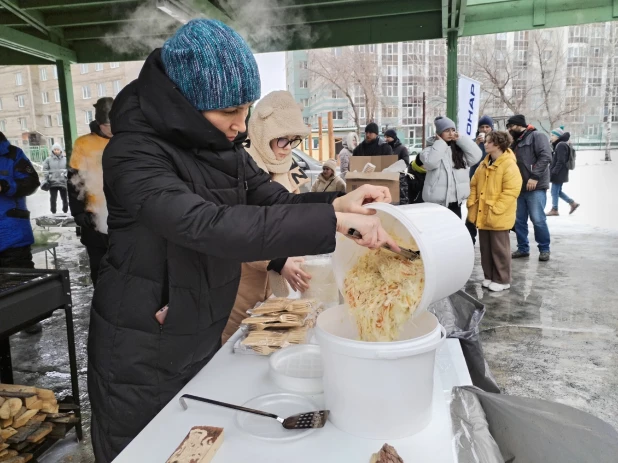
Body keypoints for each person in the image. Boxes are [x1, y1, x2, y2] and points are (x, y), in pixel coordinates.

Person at [88, 19, 398, 462]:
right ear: (185, 102)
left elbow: (269, 197)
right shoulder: (133, 153)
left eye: (245, 109)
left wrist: (341, 204)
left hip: (197, 325)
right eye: (228, 111)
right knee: (146, 450)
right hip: (140, 341)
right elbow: (206, 224)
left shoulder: (217, 143)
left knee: (192, 438)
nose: (240, 124)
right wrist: (328, 220)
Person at [222, 90, 314, 343]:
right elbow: (238, 231)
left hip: (275, 286)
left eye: (293, 140)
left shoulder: (286, 166)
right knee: (236, 343)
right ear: (264, 133)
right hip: (239, 282)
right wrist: (277, 260)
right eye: (282, 140)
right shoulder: (240, 169)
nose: (287, 149)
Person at [468, 131, 522, 292]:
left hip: (497, 214)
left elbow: (511, 190)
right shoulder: (484, 163)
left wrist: (496, 208)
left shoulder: (509, 164)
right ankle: (489, 276)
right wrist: (472, 202)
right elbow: (474, 184)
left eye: (489, 142)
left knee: (500, 249)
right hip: (482, 213)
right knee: (485, 248)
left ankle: (503, 279)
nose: (486, 144)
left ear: (498, 144)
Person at [68, 97, 113, 286]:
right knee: (99, 266)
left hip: (123, 213)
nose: (110, 129)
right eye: (106, 124)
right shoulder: (83, 144)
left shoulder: (127, 139)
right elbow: (73, 180)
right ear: (98, 123)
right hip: (94, 214)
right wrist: (78, 212)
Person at [0, 132, 41, 333]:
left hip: (12, 231)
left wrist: (5, 185)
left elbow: (32, 182)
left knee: (20, 278)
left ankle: (28, 319)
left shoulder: (13, 155)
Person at [507, 114, 552, 261]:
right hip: (518, 186)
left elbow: (546, 156)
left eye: (511, 126)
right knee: (519, 220)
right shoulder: (514, 140)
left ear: (519, 125)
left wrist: (534, 177)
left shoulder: (537, 136)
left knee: (538, 219)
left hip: (535, 186)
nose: (509, 129)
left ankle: (544, 249)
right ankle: (523, 248)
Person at [420, 116, 482, 218]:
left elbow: (476, 157)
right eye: (446, 130)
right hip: (437, 202)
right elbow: (431, 163)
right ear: (439, 133)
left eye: (453, 130)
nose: (451, 133)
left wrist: (461, 140)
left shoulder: (459, 150)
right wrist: (440, 143)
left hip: (456, 201)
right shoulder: (429, 150)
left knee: (454, 232)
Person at [466, 115, 494, 244]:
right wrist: (476, 143)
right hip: (475, 180)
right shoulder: (473, 142)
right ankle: (470, 239)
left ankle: (487, 238)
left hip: (490, 181)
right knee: (472, 209)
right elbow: (467, 158)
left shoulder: (496, 143)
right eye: (482, 127)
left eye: (487, 126)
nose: (485, 129)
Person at [546, 127, 580, 217]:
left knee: (554, 191)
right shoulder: (561, 144)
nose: (551, 137)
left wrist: (554, 172)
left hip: (559, 172)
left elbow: (561, 160)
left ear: (558, 136)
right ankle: (573, 203)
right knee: (557, 191)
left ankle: (555, 209)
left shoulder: (561, 145)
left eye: (553, 135)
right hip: (561, 172)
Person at [384, 129, 410, 204]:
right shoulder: (385, 148)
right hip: (387, 176)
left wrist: (395, 167)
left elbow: (406, 162)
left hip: (399, 178)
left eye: (388, 137)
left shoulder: (402, 148)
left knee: (400, 200)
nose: (386, 139)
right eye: (385, 137)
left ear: (393, 137)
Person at [42, 143, 68, 214]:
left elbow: (68, 169)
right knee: (53, 199)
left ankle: (65, 211)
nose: (56, 151)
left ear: (61, 150)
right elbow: (45, 169)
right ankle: (53, 212)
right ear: (52, 150)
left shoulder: (65, 159)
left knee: (65, 199)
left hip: (63, 182)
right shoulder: (48, 160)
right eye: (55, 150)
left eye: (58, 149)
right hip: (52, 183)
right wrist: (47, 177)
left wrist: (66, 174)